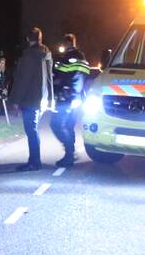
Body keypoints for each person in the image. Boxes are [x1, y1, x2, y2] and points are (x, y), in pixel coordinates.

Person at [9, 27, 54, 171]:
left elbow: (23, 80)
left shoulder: (28, 56)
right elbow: (50, 78)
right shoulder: (46, 54)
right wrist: (51, 98)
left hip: (30, 99)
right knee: (33, 129)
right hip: (43, 98)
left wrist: (16, 100)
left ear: (28, 39)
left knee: (31, 130)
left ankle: (34, 161)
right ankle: (34, 160)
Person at [51, 33, 91, 167]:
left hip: (66, 97)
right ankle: (69, 156)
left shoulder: (66, 58)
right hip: (78, 98)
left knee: (56, 124)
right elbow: (86, 78)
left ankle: (70, 153)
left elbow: (58, 78)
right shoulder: (83, 59)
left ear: (66, 43)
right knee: (69, 126)